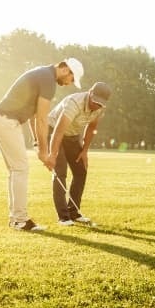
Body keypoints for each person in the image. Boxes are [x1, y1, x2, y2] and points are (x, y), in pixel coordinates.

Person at [0, 58, 83, 231]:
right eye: (71, 79)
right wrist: (45, 153)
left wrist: (38, 143)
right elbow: (42, 119)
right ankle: (20, 220)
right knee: (20, 168)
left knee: (16, 170)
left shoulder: (44, 74)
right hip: (5, 120)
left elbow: (33, 116)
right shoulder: (48, 80)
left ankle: (16, 218)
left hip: (1, 119)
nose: (69, 84)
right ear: (65, 70)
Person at [45, 81, 112, 226]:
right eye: (95, 101)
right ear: (90, 93)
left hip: (72, 135)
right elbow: (58, 131)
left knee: (81, 170)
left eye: (100, 104)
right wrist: (52, 154)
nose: (96, 105)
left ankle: (74, 212)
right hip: (53, 131)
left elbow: (92, 127)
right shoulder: (74, 103)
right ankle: (63, 217)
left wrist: (85, 150)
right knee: (60, 172)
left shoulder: (100, 108)